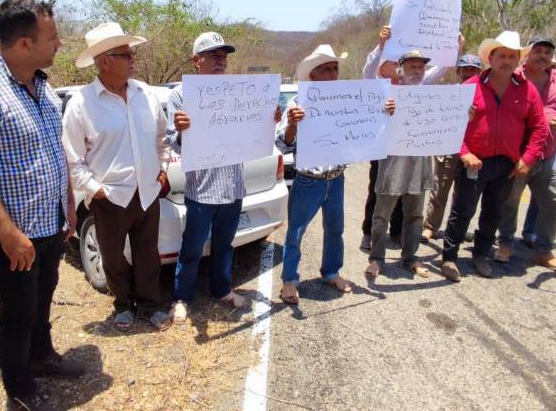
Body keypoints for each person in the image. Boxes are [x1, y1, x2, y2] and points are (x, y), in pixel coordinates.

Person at [0, 0, 85, 410]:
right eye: (53, 37)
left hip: (48, 224)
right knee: (17, 312)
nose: (60, 44)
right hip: (10, 234)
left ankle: (41, 357)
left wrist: (69, 204)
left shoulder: (41, 88)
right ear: (24, 44)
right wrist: (7, 233)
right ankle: (20, 388)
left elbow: (53, 150)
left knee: (42, 300)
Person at [62, 22, 171, 331]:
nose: (132, 58)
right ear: (104, 60)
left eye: (131, 52)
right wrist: (96, 190)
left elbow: (161, 138)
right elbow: (72, 159)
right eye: (125, 54)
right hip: (109, 197)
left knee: (147, 253)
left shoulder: (145, 94)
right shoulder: (81, 104)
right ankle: (123, 305)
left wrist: (161, 168)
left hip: (147, 192)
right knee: (112, 257)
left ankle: (150, 305)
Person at [440, 31, 548, 282]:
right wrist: (464, 153)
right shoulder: (470, 87)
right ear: (491, 57)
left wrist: (527, 159)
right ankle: (450, 256)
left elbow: (540, 127)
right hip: (474, 161)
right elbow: (450, 125)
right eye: (502, 55)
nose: (507, 61)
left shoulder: (528, 90)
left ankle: (481, 255)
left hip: (507, 164)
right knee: (463, 210)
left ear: (519, 59)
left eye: (512, 56)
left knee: (493, 211)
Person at [166, 32, 259, 323]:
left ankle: (222, 290)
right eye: (213, 55)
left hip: (233, 184)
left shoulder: (238, 93)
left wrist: (267, 118)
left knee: (224, 245)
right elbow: (173, 141)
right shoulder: (181, 95)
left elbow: (253, 133)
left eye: (224, 55)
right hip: (202, 188)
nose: (221, 60)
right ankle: (182, 298)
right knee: (192, 247)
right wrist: (182, 129)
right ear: (197, 61)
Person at [276, 44, 354, 304]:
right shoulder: (297, 104)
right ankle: (289, 279)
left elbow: (364, 129)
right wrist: (293, 126)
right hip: (308, 180)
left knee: (335, 230)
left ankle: (331, 272)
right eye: (327, 70)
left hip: (336, 178)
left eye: (335, 69)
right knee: (296, 232)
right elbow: (282, 144)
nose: (333, 74)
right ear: (313, 76)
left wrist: (384, 112)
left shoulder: (347, 101)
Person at [494, 36, 556, 271]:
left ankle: (544, 250)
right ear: (527, 54)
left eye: (547, 52)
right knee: (510, 202)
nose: (543, 55)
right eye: (537, 50)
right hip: (517, 154)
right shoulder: (514, 78)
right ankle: (505, 243)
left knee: (553, 204)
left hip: (548, 154)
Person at [366, 50, 435, 279]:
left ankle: (410, 258)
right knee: (381, 215)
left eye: (421, 67)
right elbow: (367, 76)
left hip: (420, 163)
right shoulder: (386, 94)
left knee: (415, 215)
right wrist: (385, 113)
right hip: (392, 163)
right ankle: (376, 258)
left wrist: (465, 115)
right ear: (400, 70)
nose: (417, 71)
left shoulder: (433, 96)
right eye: (412, 66)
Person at [421, 54, 482, 241]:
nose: (468, 73)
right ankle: (430, 226)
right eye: (465, 69)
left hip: (472, 151)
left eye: (473, 70)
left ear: (479, 72)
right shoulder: (448, 93)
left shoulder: (484, 95)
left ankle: (456, 229)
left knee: (464, 193)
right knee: (439, 189)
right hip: (447, 148)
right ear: (458, 71)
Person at [359, 26, 402, 252]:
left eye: (398, 62)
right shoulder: (373, 85)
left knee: (403, 193)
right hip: (380, 148)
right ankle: (368, 233)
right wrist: (381, 45)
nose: (397, 66)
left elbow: (436, 72)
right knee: (376, 191)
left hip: (404, 147)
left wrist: (454, 49)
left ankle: (397, 232)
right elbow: (368, 68)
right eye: (392, 62)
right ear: (382, 69)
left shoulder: (413, 85)